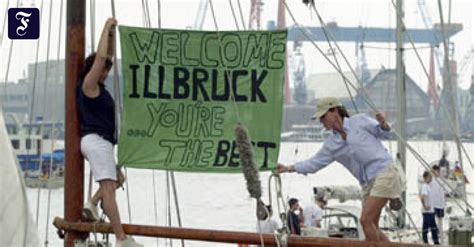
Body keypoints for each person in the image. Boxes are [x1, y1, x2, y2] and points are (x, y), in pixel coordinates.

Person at [277, 97, 405, 242]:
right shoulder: (332, 144)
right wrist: (289, 168)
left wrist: (383, 123)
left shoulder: (359, 121)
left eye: (323, 117)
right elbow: (314, 163)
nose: (321, 121)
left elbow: (383, 132)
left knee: (365, 221)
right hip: (367, 181)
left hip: (385, 171)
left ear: (335, 111)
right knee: (371, 225)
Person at [77, 18, 142, 247]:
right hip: (96, 141)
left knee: (118, 179)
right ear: (93, 69)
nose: (105, 73)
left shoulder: (97, 88)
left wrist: (112, 34)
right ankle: (121, 238)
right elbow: (102, 57)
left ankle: (92, 204)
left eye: (106, 71)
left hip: (100, 143)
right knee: (109, 191)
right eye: (102, 70)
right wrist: (106, 26)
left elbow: (108, 58)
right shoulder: (89, 86)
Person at [420, 171, 440, 245]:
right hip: (427, 212)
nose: (431, 178)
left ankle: (436, 242)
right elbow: (422, 197)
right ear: (425, 178)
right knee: (427, 228)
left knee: (433, 228)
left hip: (431, 211)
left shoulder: (428, 186)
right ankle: (426, 242)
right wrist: (425, 206)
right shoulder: (425, 186)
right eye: (429, 177)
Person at [430, 165, 446, 244]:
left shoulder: (441, 181)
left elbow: (446, 190)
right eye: (434, 171)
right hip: (433, 204)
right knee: (432, 221)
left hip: (440, 204)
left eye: (436, 171)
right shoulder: (431, 181)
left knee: (440, 221)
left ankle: (440, 236)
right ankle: (435, 237)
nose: (435, 173)